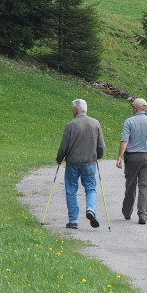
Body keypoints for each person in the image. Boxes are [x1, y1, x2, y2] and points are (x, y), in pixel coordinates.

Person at [55, 98, 105, 229]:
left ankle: (73, 220)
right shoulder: (95, 123)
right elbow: (101, 145)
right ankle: (90, 209)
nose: (72, 111)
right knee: (90, 188)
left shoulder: (70, 125)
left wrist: (59, 158)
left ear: (76, 110)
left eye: (73, 109)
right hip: (89, 162)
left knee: (71, 190)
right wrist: (97, 156)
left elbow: (63, 146)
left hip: (73, 163)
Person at [115, 98, 147, 225]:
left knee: (130, 185)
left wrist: (119, 157)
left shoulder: (129, 121)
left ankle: (127, 212)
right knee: (145, 186)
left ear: (136, 108)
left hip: (132, 157)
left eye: (133, 107)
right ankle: (142, 214)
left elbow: (124, 141)